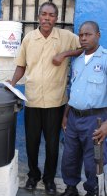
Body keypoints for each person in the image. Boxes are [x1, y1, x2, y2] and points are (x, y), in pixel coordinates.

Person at [8, 1, 82, 195]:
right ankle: (33, 176)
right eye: (44, 14)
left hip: (55, 102)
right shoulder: (29, 39)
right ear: (39, 16)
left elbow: (84, 47)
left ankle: (49, 179)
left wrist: (65, 54)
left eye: (51, 15)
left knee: (52, 144)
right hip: (32, 100)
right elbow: (21, 65)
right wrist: (12, 84)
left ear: (56, 18)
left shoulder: (66, 37)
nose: (47, 18)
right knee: (31, 142)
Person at [61, 21, 107, 196]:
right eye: (81, 35)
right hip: (73, 118)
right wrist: (65, 116)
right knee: (70, 157)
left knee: (93, 160)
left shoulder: (105, 59)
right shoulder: (77, 61)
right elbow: (72, 90)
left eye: (88, 34)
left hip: (95, 120)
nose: (83, 38)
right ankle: (70, 188)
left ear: (98, 35)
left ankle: (93, 191)